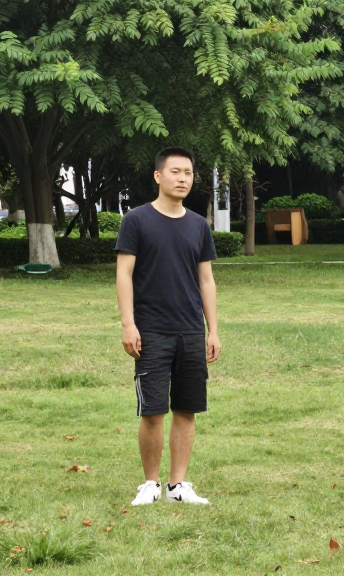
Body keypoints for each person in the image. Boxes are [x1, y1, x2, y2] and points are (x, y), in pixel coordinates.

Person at [115, 147, 221, 506]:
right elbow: (124, 274)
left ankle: (178, 486)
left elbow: (206, 280)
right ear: (158, 176)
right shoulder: (137, 220)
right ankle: (150, 484)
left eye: (188, 173)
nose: (182, 179)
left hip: (190, 331)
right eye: (175, 172)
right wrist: (128, 324)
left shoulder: (197, 225)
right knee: (152, 411)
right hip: (152, 331)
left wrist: (213, 330)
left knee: (187, 409)